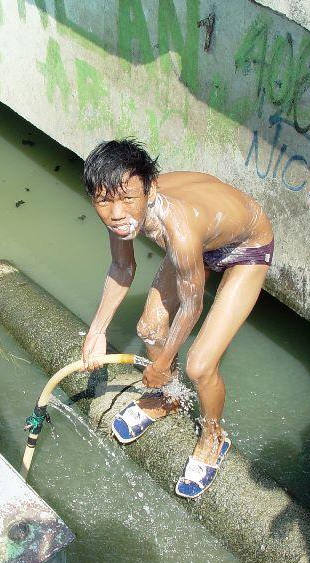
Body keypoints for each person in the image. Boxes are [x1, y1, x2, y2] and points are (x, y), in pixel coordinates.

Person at [80, 138, 274, 498]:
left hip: (244, 246)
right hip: (207, 227)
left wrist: (163, 363)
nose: (116, 213)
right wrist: (97, 331)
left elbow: (192, 307)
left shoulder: (178, 230)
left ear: (149, 190)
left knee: (199, 366)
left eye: (126, 199)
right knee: (150, 327)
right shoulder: (121, 210)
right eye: (103, 201)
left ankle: (214, 435)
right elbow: (123, 266)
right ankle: (167, 398)